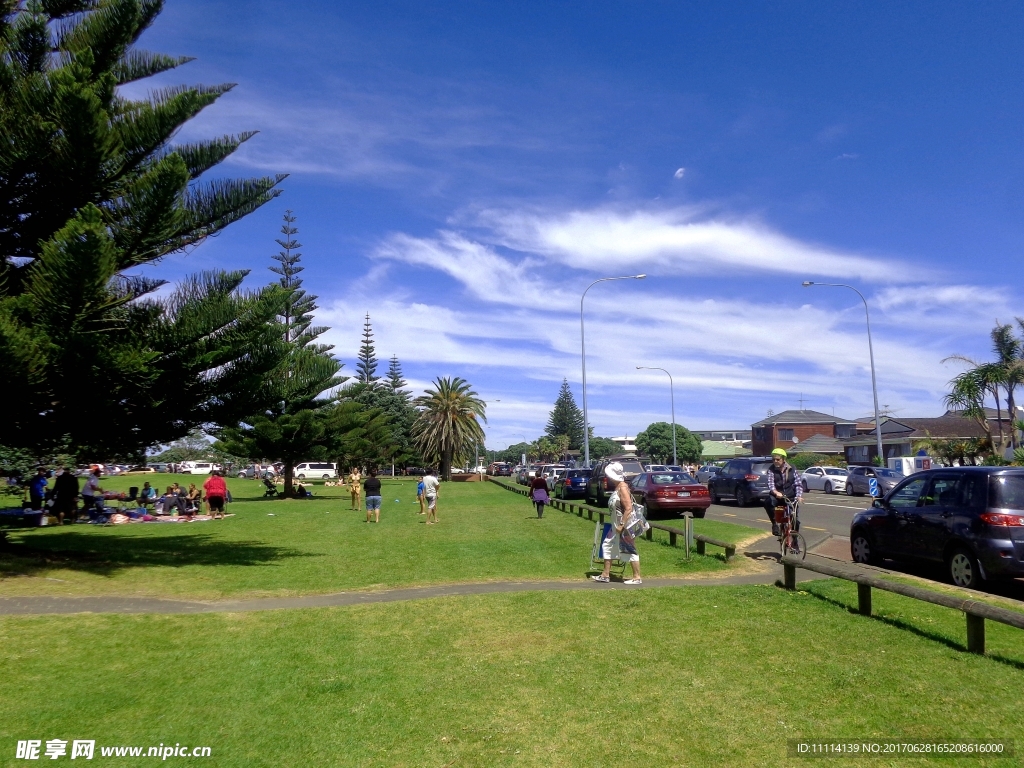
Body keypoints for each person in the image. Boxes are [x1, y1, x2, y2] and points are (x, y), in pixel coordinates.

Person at [591, 462, 642, 584]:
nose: (608, 477)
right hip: (615, 525)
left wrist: (621, 525)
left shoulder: (623, 488)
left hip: (623, 526)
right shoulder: (618, 487)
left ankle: (637, 577)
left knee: (629, 549)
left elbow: (628, 508)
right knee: (607, 546)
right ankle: (605, 574)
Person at [764, 448, 803, 538]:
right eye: (773, 459)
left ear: (783, 459)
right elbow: (771, 484)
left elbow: (798, 484)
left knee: (795, 521)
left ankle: (795, 541)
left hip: (790, 497)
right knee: (768, 502)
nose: (775, 461)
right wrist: (776, 492)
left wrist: (799, 496)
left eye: (778, 459)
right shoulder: (771, 470)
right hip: (777, 497)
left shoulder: (792, 468)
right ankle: (774, 524)